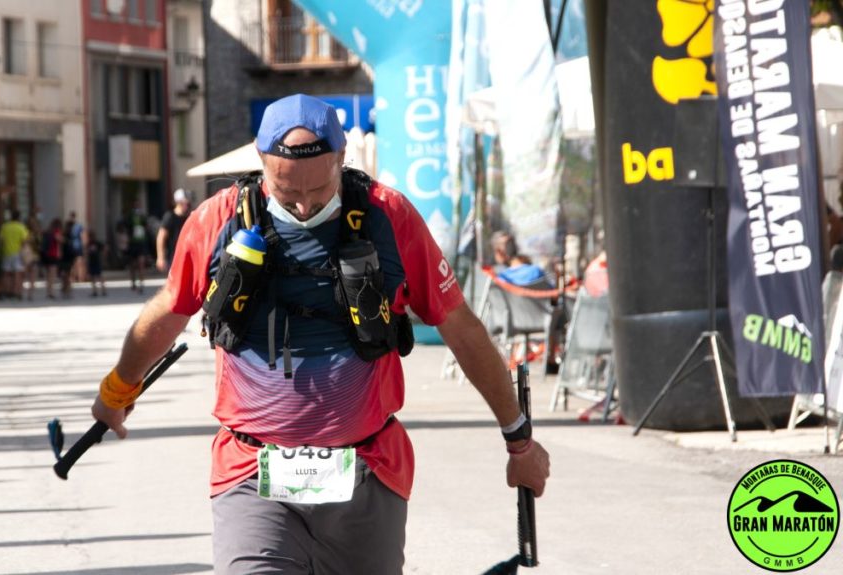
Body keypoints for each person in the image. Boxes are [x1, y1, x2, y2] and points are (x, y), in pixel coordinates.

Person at [87, 94, 549, 575]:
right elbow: (167, 312)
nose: (305, 206)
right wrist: (118, 389)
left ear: (342, 157)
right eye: (287, 193)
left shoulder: (389, 216)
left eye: (320, 189)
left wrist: (519, 440)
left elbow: (461, 327)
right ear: (261, 161)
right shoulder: (216, 220)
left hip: (368, 471)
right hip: (251, 473)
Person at [156, 188, 192, 274]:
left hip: (187, 256)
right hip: (174, 257)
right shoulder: (170, 216)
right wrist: (160, 257)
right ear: (178, 202)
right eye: (184, 203)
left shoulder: (189, 217)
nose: (186, 205)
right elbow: (161, 237)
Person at [0, 211, 28, 300]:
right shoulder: (21, 227)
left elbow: (1, 240)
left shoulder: (5, 227)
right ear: (19, 218)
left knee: (6, 273)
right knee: (17, 274)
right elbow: (24, 241)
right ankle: (16, 293)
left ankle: (5, 292)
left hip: (6, 252)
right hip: (18, 253)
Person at [125, 200, 149, 293]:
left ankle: (141, 284)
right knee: (132, 264)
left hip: (141, 242)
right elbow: (127, 226)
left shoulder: (143, 216)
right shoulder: (130, 216)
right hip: (133, 243)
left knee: (141, 263)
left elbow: (146, 226)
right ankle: (133, 282)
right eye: (136, 204)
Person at [41, 218, 64, 300]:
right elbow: (60, 240)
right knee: (52, 275)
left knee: (48, 275)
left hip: (46, 255)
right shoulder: (56, 232)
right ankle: (51, 292)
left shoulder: (48, 232)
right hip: (53, 255)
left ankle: (48, 291)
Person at [86, 230, 107, 297]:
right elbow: (87, 253)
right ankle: (95, 291)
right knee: (93, 277)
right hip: (92, 262)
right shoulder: (89, 244)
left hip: (96, 261)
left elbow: (105, 248)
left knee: (99, 276)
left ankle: (102, 290)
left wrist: (103, 256)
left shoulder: (97, 243)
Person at [67, 211, 86, 282]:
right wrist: (84, 246)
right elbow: (83, 236)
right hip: (76, 246)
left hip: (72, 246)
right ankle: (79, 278)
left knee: (73, 263)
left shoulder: (69, 226)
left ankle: (74, 278)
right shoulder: (78, 226)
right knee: (78, 262)